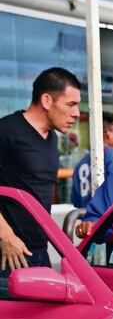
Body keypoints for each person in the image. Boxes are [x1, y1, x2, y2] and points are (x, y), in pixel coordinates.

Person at [0, 67, 81, 274]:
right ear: (46, 100)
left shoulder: (52, 138)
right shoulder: (7, 130)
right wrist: (5, 236)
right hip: (9, 254)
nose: (77, 113)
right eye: (71, 104)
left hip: (39, 252)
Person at [69, 112, 113, 208]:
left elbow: (75, 200)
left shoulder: (81, 162)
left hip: (86, 217)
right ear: (108, 133)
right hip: (107, 217)